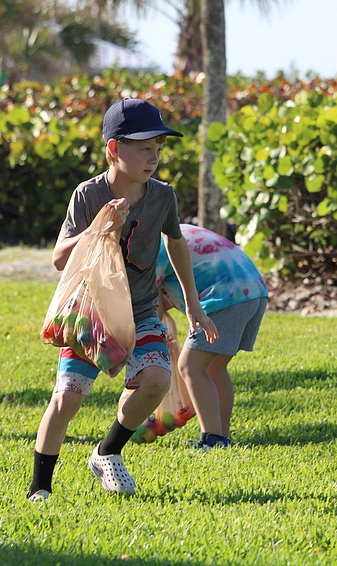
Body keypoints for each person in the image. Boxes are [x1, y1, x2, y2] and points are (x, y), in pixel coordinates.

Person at [27, 99, 218, 501]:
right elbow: (60, 258)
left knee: (156, 380)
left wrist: (193, 302)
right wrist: (98, 227)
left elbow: (177, 243)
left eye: (158, 148)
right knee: (67, 399)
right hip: (90, 316)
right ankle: (40, 489)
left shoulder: (163, 197)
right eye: (144, 147)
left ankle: (107, 451)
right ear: (114, 149)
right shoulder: (88, 195)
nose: (154, 157)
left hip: (143, 311)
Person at [155, 224, 268, 449]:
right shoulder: (170, 233)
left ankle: (212, 438)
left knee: (190, 365)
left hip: (225, 296)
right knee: (214, 368)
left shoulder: (150, 247)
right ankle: (220, 437)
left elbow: (153, 303)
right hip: (254, 291)